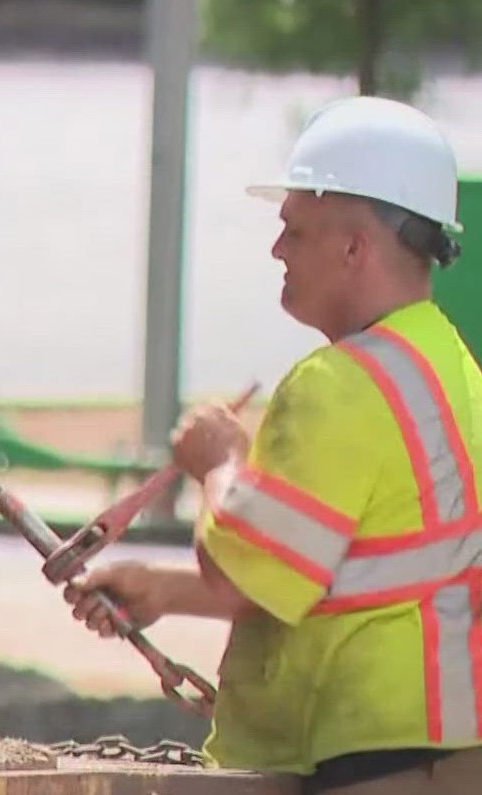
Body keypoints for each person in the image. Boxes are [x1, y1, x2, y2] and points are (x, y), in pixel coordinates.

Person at [65, 96, 482, 793]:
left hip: (369, 755)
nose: (276, 249)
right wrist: (163, 591)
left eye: (296, 230)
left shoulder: (337, 386)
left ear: (356, 247)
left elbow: (248, 569)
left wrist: (218, 461)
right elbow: (336, 575)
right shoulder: (453, 368)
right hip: (448, 745)